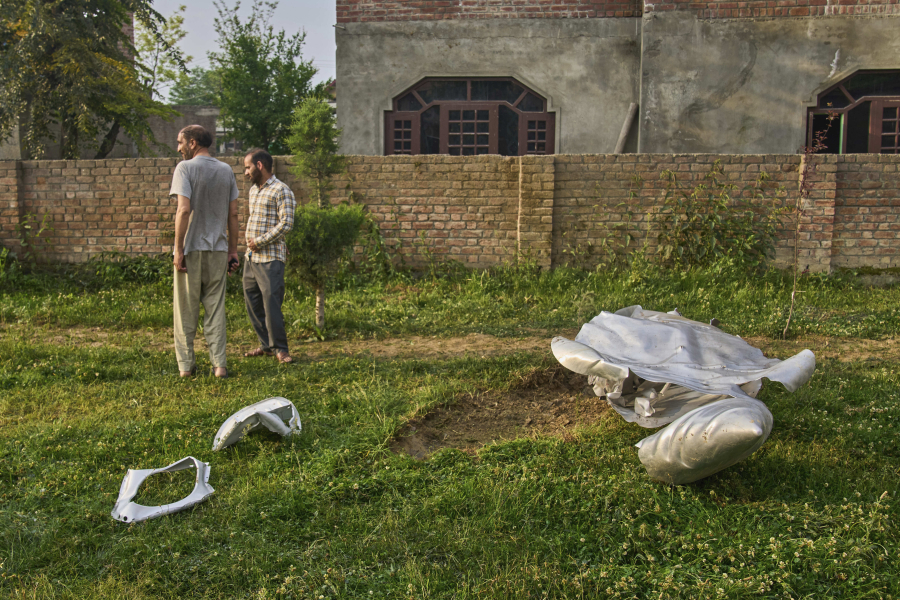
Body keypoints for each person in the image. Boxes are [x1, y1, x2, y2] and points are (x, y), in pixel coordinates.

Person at [171, 125, 240, 378]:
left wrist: (178, 250)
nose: (178, 148)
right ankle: (219, 366)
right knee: (215, 308)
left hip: (191, 250)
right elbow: (233, 214)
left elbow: (183, 211)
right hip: (219, 249)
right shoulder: (226, 171)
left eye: (180, 142)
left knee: (185, 310)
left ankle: (186, 367)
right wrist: (233, 250)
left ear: (192, 142)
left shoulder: (185, 169)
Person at [241, 148, 296, 364]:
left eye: (248, 167)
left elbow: (287, 224)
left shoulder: (282, 190)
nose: (246, 172)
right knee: (252, 302)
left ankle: (281, 349)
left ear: (260, 165)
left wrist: (260, 241)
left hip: (270, 258)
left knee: (271, 304)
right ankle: (266, 345)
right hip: (251, 259)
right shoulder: (254, 191)